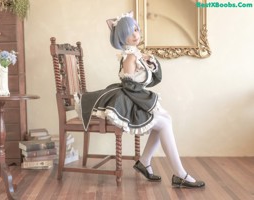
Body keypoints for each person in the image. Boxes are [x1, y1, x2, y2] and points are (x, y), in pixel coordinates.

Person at [77, 11, 205, 188]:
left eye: (136, 29)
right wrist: (149, 103)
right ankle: (178, 173)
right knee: (165, 122)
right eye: (130, 32)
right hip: (129, 100)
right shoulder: (129, 57)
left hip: (135, 97)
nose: (136, 35)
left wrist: (150, 62)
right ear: (122, 37)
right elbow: (130, 86)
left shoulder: (136, 55)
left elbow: (149, 80)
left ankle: (146, 162)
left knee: (165, 121)